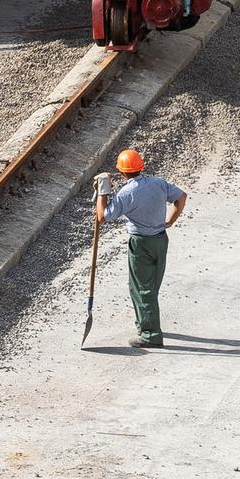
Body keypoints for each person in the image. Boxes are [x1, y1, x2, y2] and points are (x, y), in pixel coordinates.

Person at [96, 147, 188, 349]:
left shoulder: (127, 193)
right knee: (152, 285)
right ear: (141, 166)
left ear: (122, 172)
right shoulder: (158, 183)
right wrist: (170, 220)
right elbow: (181, 197)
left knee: (141, 288)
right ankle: (147, 321)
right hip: (160, 239)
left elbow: (102, 216)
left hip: (141, 244)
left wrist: (103, 190)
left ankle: (150, 335)